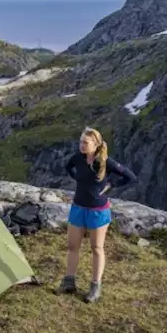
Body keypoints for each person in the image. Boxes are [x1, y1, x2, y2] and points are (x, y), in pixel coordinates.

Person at [59, 127, 136, 303]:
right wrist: (77, 178)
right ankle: (69, 282)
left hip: (98, 211)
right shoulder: (78, 158)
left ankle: (95, 286)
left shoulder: (106, 162)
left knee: (97, 248)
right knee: (72, 247)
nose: (81, 145)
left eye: (85, 143)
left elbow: (130, 177)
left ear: (96, 144)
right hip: (78, 207)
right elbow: (68, 167)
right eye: (80, 142)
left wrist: (111, 184)